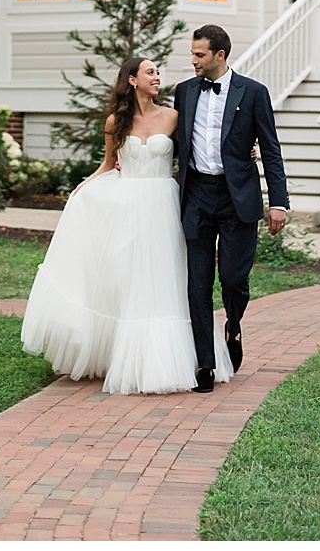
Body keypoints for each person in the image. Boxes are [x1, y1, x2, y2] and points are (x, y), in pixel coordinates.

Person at [21, 57, 231, 394]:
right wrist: (83, 188)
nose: (157, 77)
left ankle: (175, 359)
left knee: (165, 280)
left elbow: (203, 147)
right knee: (130, 280)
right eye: (150, 72)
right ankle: (122, 355)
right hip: (128, 205)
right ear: (132, 80)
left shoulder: (174, 117)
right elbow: (107, 164)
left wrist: (240, 153)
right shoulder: (115, 122)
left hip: (163, 204)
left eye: (158, 72)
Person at [172, 25, 290, 393]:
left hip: (238, 196)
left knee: (234, 280)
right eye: (192, 54)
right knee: (197, 283)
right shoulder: (184, 92)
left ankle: (234, 324)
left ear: (219, 55)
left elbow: (270, 148)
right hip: (196, 196)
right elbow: (175, 144)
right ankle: (204, 364)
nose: (193, 60)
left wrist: (279, 202)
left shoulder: (253, 93)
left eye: (200, 55)